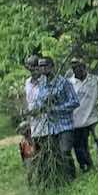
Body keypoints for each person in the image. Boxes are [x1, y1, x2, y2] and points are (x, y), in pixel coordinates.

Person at [23, 55, 79, 185]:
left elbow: (75, 102)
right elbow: (40, 103)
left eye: (45, 66)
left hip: (65, 125)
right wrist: (33, 111)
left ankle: (72, 179)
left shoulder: (64, 83)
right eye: (40, 66)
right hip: (51, 127)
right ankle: (61, 181)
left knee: (65, 152)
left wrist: (56, 108)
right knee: (55, 155)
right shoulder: (42, 85)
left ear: (52, 67)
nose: (42, 69)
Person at [68, 58, 98, 171]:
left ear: (85, 67)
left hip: (94, 117)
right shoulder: (69, 83)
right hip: (77, 120)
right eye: (74, 67)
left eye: (79, 66)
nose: (77, 69)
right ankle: (87, 168)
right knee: (80, 147)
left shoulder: (95, 80)